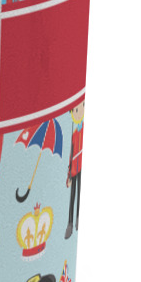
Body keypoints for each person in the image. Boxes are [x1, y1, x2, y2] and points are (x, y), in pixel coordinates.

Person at [65, 99, 85, 237]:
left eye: (82, 107)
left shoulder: (82, 130)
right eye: (76, 110)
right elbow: (70, 155)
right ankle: (70, 223)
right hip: (73, 169)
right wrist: (68, 176)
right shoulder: (74, 135)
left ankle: (77, 219)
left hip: (80, 168)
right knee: (72, 196)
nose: (79, 113)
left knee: (78, 194)